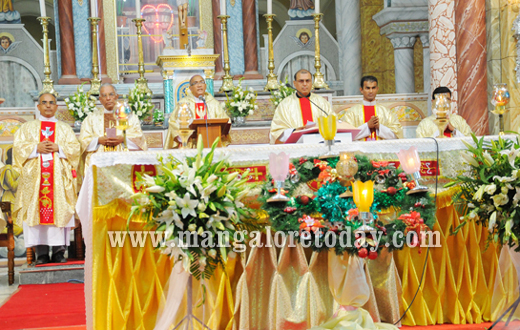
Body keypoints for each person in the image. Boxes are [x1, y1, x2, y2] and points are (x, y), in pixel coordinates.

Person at [13, 93, 80, 265]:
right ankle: (41, 252)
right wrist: (36, 148)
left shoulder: (65, 128)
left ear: (57, 107)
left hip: (58, 180)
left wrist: (59, 148)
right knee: (36, 213)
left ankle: (59, 251)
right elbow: (18, 149)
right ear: (38, 106)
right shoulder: (27, 128)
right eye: (44, 103)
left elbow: (75, 149)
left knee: (59, 210)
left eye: (51, 103)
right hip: (35, 180)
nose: (48, 106)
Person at [79, 84, 147, 174]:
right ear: (100, 99)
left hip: (124, 161)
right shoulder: (91, 118)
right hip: (99, 164)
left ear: (116, 96)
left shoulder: (129, 116)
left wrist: (123, 139)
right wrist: (98, 140)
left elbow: (140, 139)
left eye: (111, 94)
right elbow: (83, 142)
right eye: (104, 95)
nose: (108, 98)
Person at [164, 75, 230, 149]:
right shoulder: (183, 103)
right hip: (190, 144)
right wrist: (183, 136)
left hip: (212, 141)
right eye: (195, 83)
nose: (199, 85)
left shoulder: (213, 103)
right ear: (190, 88)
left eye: (201, 82)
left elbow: (226, 120)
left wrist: (221, 132)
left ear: (205, 86)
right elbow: (173, 121)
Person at [270, 69, 333, 144]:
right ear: (294, 83)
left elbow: (333, 123)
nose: (305, 84)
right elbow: (276, 132)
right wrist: (295, 131)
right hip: (295, 147)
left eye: (307, 81)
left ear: (311, 83)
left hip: (320, 144)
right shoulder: (285, 105)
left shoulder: (322, 103)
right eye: (301, 81)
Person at [340, 76, 403, 141]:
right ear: (361, 90)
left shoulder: (385, 112)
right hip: (359, 150)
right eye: (367, 88)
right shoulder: (352, 112)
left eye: (373, 88)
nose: (371, 91)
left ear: (377, 89)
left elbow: (397, 135)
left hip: (381, 150)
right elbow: (346, 136)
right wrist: (367, 126)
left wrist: (379, 127)